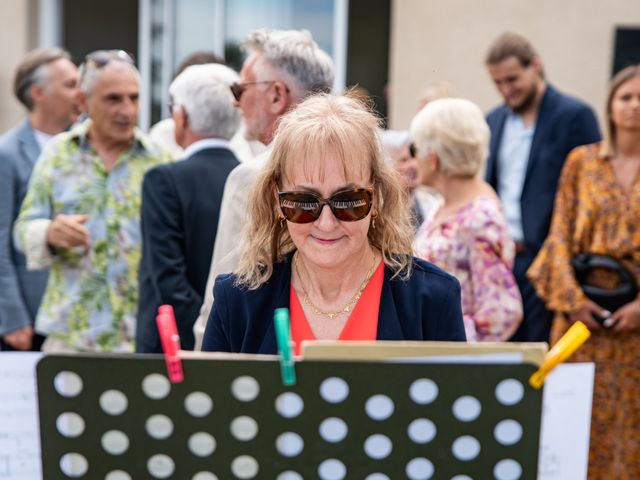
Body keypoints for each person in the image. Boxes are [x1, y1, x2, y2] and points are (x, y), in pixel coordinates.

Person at [201, 94, 466, 354]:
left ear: (375, 197)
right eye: (304, 202)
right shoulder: (236, 303)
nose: (326, 224)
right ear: (276, 200)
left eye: (348, 201)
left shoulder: (433, 300)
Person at [13, 50, 169, 353]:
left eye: (134, 98)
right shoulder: (58, 154)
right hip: (71, 334)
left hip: (140, 337)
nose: (127, 110)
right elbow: (22, 230)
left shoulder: (161, 160)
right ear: (83, 103)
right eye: (114, 99)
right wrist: (48, 233)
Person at [528, 65, 640, 478]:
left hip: (636, 332)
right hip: (581, 324)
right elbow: (558, 236)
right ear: (610, 104)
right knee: (572, 432)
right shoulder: (582, 162)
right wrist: (573, 301)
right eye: (627, 96)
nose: (634, 106)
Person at [193, 28, 335, 348]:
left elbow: (220, 299)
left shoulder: (254, 177)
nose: (235, 100)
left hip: (271, 358)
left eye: (240, 87)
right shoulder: (362, 172)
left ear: (276, 95)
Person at [484, 32, 601, 342]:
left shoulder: (574, 116)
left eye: (512, 79)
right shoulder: (493, 120)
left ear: (535, 66)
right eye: (498, 83)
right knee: (503, 359)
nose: (506, 89)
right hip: (502, 261)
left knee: (542, 357)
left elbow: (593, 193)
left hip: (550, 261)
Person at [136, 64, 241, 352]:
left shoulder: (163, 180)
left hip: (171, 345)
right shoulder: (250, 178)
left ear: (180, 115)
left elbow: (167, 276)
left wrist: (201, 335)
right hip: (231, 337)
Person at [411, 98, 522, 341]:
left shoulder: (479, 218)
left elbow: (502, 312)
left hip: (451, 364)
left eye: (414, 149)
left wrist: (451, 343)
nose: (413, 159)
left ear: (433, 157)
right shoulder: (445, 204)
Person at [0, 48, 80, 351]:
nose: (79, 93)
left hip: (75, 321)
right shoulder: (6, 154)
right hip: (28, 324)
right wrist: (13, 318)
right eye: (70, 84)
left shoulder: (84, 150)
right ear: (38, 93)